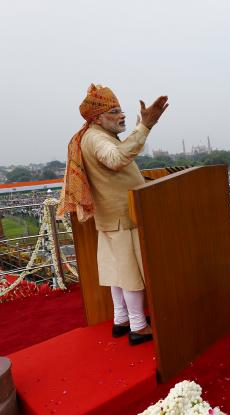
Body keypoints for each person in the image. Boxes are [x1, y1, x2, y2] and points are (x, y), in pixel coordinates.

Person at [58, 84, 168, 346]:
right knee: (129, 274)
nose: (123, 116)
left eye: (121, 110)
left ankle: (122, 320)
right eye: (115, 111)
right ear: (97, 117)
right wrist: (145, 127)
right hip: (122, 216)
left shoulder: (92, 135)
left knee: (118, 272)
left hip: (113, 216)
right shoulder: (97, 139)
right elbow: (117, 159)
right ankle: (138, 326)